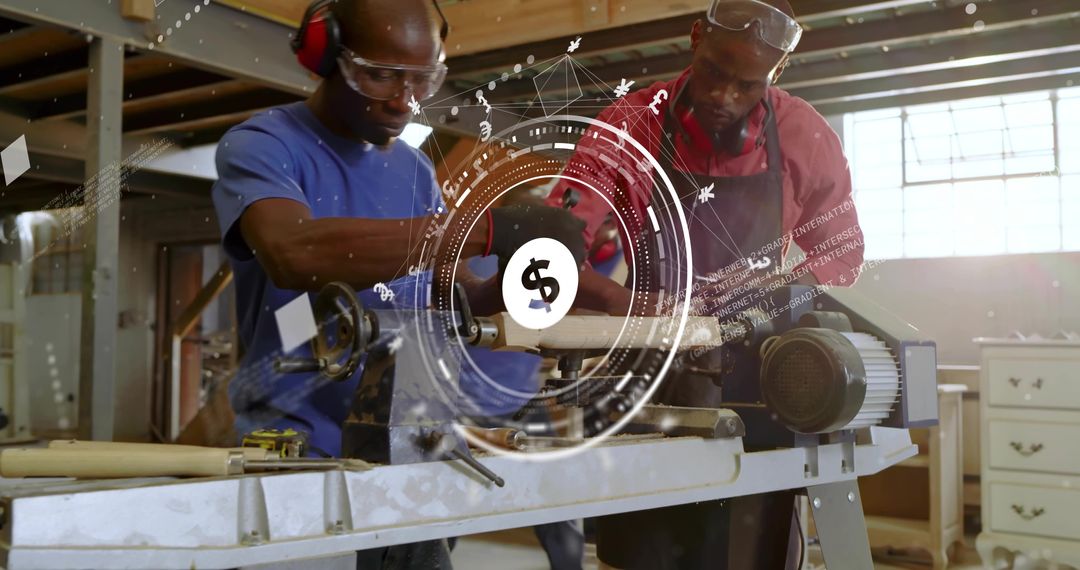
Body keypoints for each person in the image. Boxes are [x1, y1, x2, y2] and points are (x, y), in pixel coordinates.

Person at [210, 0, 585, 567]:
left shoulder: (413, 168)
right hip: (300, 457)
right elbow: (293, 252)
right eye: (379, 74)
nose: (402, 99)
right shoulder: (265, 145)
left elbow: (441, 292)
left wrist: (518, 287)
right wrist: (485, 227)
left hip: (414, 449)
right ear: (326, 55)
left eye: (422, 79)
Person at [547, 0, 864, 568]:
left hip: (762, 384)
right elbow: (554, 246)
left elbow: (842, 250)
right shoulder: (632, 125)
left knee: (750, 550)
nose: (723, 97)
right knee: (644, 552)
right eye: (716, 71)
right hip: (652, 383)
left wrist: (776, 294)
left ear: (776, 73)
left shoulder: (803, 136)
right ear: (696, 38)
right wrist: (632, 305)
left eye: (747, 85)